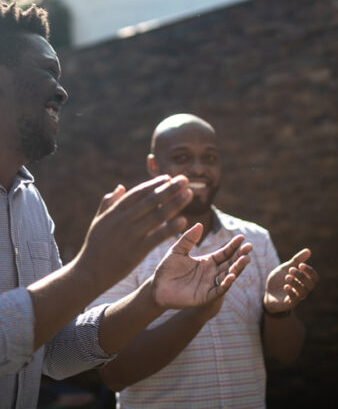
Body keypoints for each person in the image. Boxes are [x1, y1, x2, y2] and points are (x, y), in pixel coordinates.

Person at [0, 2, 252, 409]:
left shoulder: (29, 201)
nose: (63, 90)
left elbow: (55, 353)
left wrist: (151, 298)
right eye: (48, 71)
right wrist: (88, 273)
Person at [90, 113, 319, 408]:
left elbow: (286, 355)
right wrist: (197, 315)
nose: (198, 168)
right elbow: (114, 374)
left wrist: (278, 313)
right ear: (153, 165)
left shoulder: (255, 240)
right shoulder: (126, 247)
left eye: (209, 158)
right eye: (181, 157)